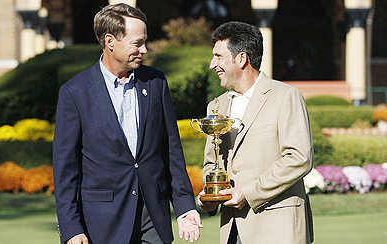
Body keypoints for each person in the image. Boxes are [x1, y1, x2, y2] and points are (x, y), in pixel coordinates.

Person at [53, 3, 202, 244]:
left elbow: (171, 150)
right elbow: (66, 169)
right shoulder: (75, 92)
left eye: (145, 42)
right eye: (137, 43)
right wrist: (71, 228)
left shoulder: (155, 82)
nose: (144, 49)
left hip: (153, 218)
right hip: (102, 224)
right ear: (110, 41)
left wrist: (185, 207)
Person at [197, 21, 314, 244]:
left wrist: (249, 192)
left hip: (278, 229)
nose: (213, 64)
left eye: (219, 56)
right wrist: (211, 196)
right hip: (231, 229)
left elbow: (299, 158)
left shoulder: (286, 96)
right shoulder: (216, 105)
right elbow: (211, 164)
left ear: (242, 58)